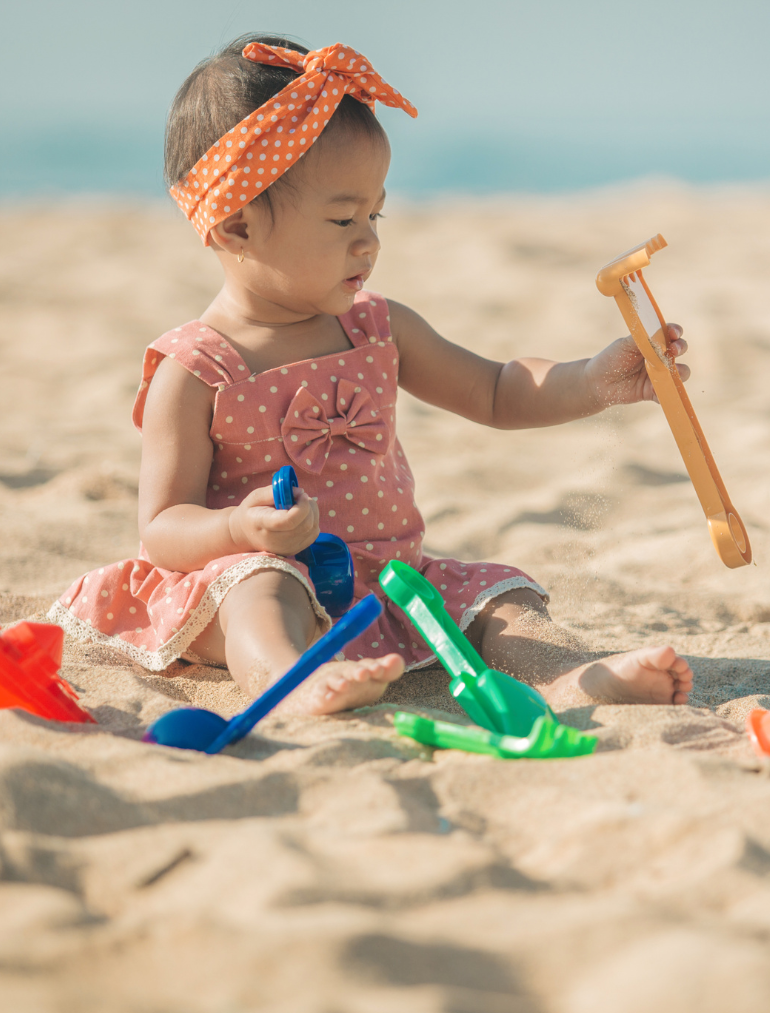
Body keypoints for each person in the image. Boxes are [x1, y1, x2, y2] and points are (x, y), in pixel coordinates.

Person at [50, 35, 694, 714]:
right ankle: (286, 680)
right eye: (341, 217)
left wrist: (592, 380)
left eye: (374, 213)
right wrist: (239, 530)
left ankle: (567, 675)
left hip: (389, 583)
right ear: (237, 227)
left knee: (504, 601)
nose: (370, 240)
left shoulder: (378, 328)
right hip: (250, 578)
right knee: (259, 594)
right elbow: (163, 527)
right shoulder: (197, 369)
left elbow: (496, 389)